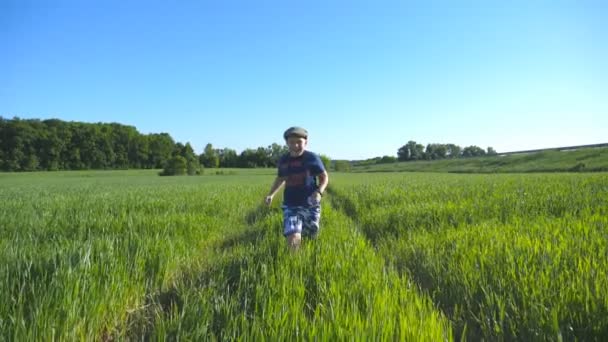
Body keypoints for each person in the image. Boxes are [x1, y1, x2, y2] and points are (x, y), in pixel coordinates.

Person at [265, 126, 329, 249]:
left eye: (299, 142)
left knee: (310, 237)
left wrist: (319, 192)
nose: (295, 146)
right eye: (291, 142)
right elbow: (280, 178)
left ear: (306, 142)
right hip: (291, 204)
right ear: (287, 143)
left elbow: (324, 177)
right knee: (293, 236)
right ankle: (295, 263)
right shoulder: (284, 160)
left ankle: (307, 261)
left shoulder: (312, 158)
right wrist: (271, 195)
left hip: (311, 204)